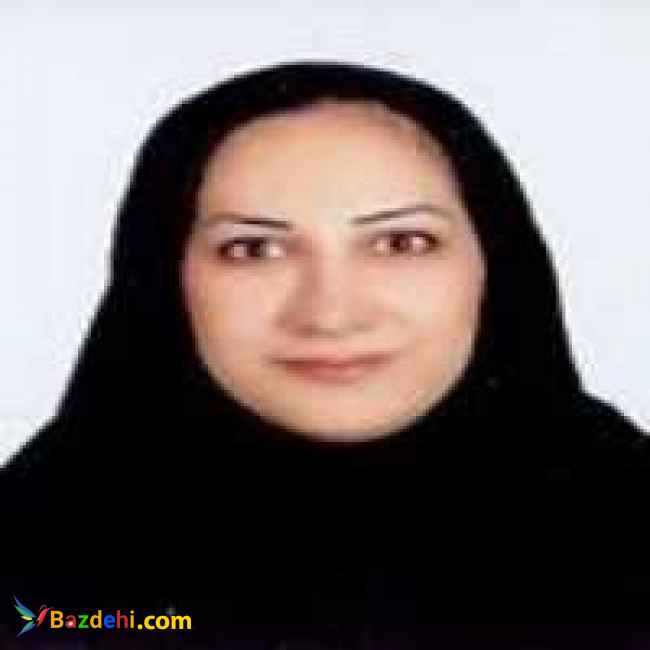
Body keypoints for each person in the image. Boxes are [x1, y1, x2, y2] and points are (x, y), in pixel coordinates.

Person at [1, 61, 650, 639]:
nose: (331, 315)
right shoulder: (40, 569)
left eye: (402, 243)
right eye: (254, 249)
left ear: (495, 266)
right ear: (165, 277)